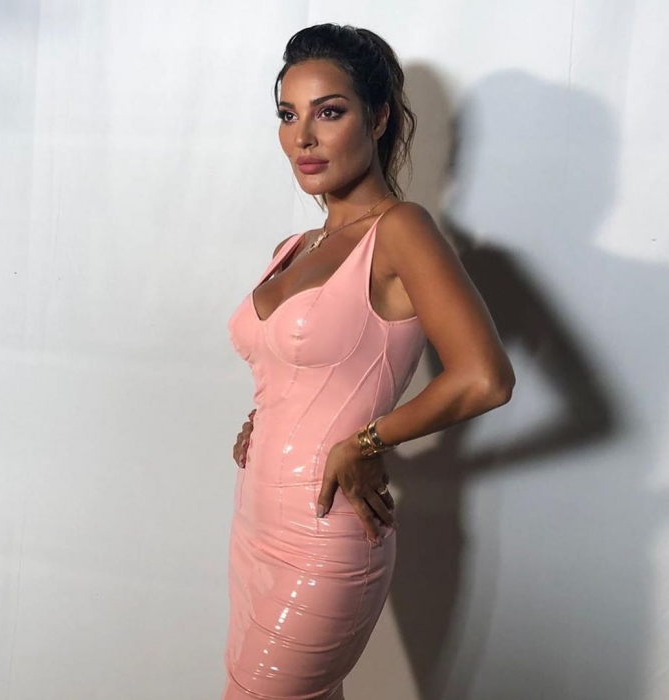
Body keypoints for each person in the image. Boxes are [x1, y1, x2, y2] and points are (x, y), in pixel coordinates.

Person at [224, 23, 515, 700]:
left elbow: (484, 378)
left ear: (379, 118)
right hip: (254, 523)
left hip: (326, 530)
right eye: (288, 116)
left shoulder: (401, 230)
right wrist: (265, 418)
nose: (303, 137)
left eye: (329, 112)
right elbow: (304, 369)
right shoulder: (294, 247)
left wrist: (367, 441)